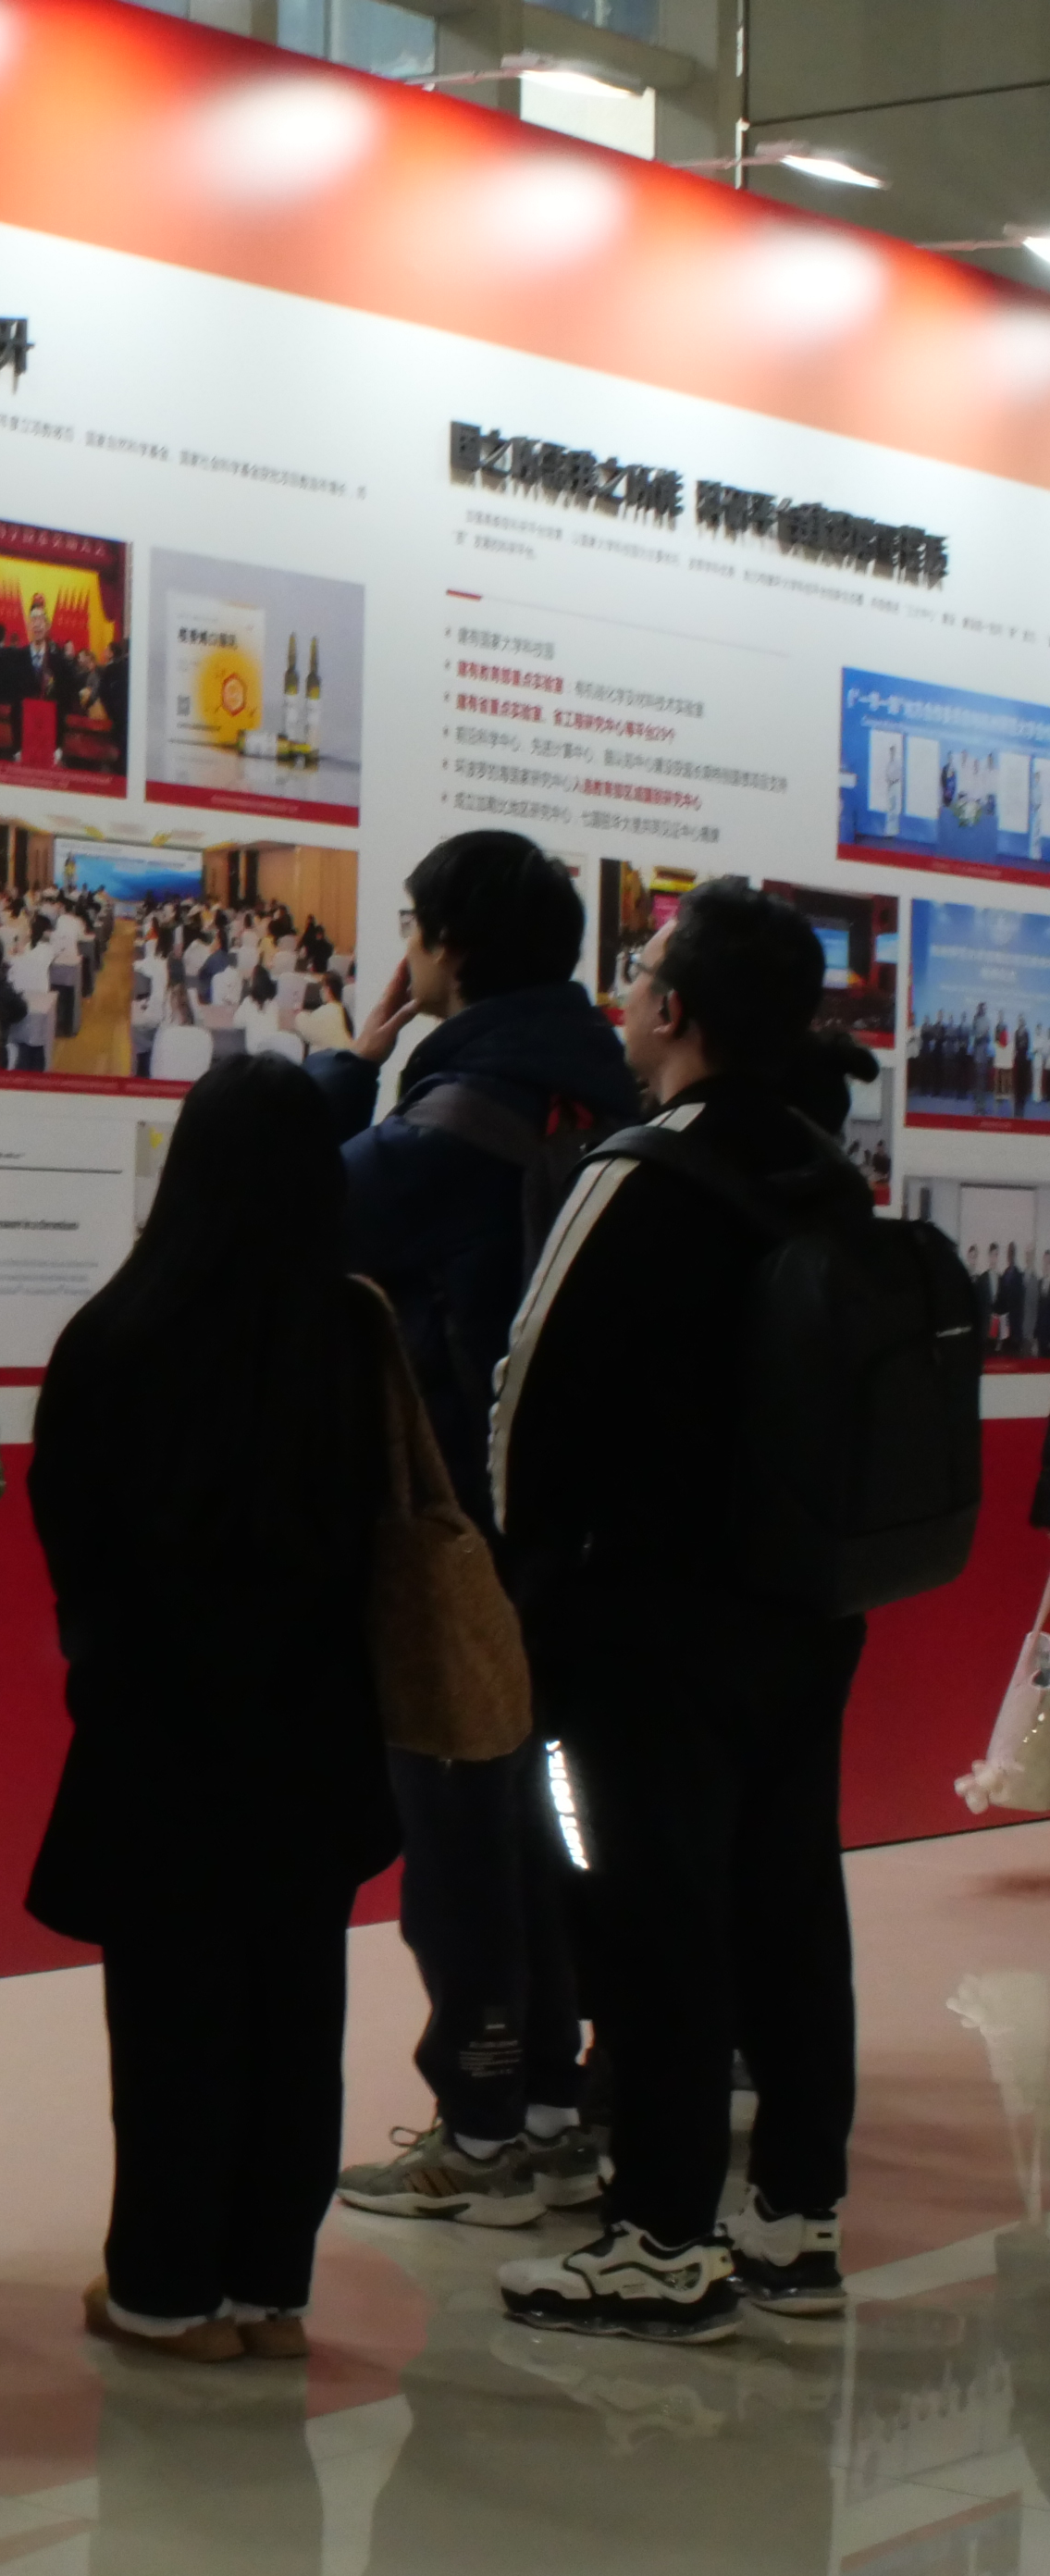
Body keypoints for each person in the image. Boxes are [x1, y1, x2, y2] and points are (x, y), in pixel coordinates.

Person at [490, 879, 887, 2342]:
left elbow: (528, 1397)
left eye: (646, 970)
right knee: (790, 1900)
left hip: (641, 1627)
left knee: (644, 1912)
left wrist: (525, 1588)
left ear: (674, 1012)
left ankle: (662, 2235)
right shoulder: (822, 1173)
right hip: (802, 1607)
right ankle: (796, 2220)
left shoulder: (641, 1171)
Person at [28, 1055, 400, 2363]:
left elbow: (70, 1535)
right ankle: (268, 2290)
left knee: (172, 2019)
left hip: (162, 1733)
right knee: (298, 2012)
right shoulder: (349, 1333)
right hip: (318, 1731)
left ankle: (164, 2289)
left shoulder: (118, 1335)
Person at [308, 832, 639, 2232]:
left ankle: (484, 2125)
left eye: (412, 927)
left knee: (458, 1834)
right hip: (583, 1527)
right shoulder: (609, 1095)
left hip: (459, 1535)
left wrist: (346, 1065)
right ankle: (550, 2109)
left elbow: (290, 1208)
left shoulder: (451, 1123)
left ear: (442, 944)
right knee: (535, 1823)